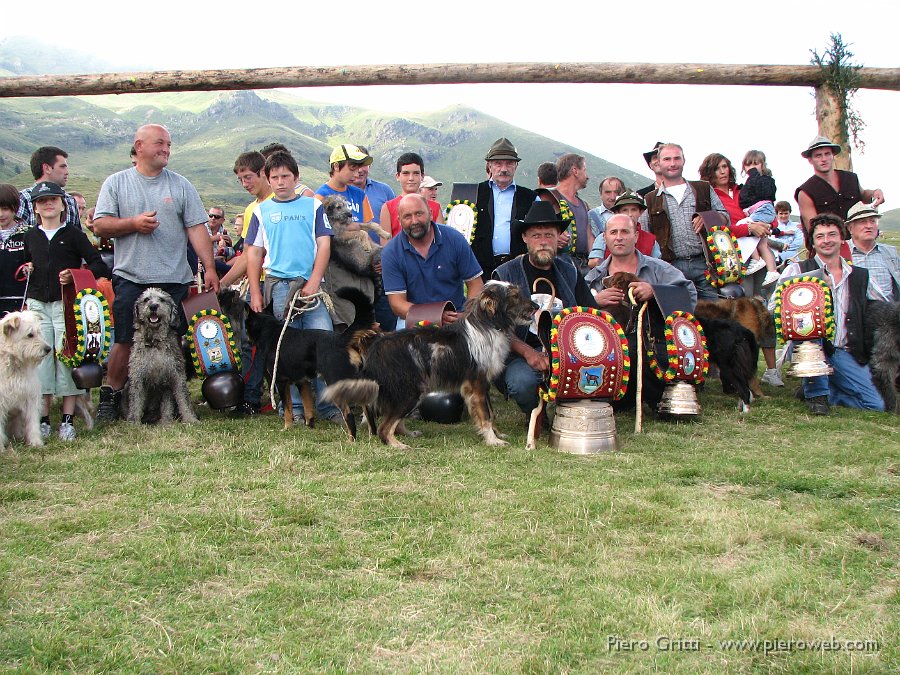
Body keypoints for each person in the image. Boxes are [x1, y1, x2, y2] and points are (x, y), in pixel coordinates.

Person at [92, 124, 219, 422]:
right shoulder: (116, 183)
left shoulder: (181, 184)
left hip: (173, 277)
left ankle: (169, 405)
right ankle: (111, 397)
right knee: (125, 339)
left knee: (172, 341)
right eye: (160, 143)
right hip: (130, 276)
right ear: (139, 146)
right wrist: (133, 224)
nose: (166, 149)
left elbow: (196, 228)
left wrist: (210, 267)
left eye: (169, 145)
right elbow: (100, 225)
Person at [245, 150, 340, 422]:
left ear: (296, 177)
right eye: (274, 177)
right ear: (268, 178)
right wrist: (254, 290)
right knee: (283, 351)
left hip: (311, 289)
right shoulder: (262, 211)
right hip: (278, 288)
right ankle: (295, 410)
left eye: (286, 176)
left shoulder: (313, 207)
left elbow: (324, 244)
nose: (280, 182)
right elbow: (253, 253)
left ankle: (328, 407)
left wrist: (313, 281)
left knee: (324, 344)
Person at [769, 213, 886, 415]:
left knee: (875, 405)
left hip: (846, 350)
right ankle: (817, 396)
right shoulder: (797, 269)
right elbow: (773, 307)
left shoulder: (860, 275)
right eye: (820, 236)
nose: (826, 241)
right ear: (812, 242)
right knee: (811, 332)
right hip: (806, 346)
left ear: (842, 238)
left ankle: (823, 392)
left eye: (832, 234)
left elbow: (885, 306)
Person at [493, 201, 597, 420]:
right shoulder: (504, 275)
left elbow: (589, 314)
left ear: (558, 237)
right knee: (522, 382)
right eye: (536, 236)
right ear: (525, 238)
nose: (543, 242)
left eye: (549, 235)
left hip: (567, 354)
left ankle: (571, 413)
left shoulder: (570, 271)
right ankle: (537, 416)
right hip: (518, 355)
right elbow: (495, 328)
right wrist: (528, 353)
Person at [22, 181, 110, 440]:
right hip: (37, 304)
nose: (48, 204)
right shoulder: (30, 236)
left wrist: (75, 276)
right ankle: (44, 417)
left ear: (62, 204)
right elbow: (23, 265)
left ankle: (68, 419)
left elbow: (98, 265)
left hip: (65, 305)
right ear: (35, 207)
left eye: (53, 199)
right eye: (42, 201)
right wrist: (26, 268)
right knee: (39, 361)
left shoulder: (73, 234)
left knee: (66, 358)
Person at [585, 213, 697, 410]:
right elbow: (575, 312)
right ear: (605, 238)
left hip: (654, 346)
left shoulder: (659, 269)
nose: (619, 237)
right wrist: (594, 301)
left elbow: (689, 296)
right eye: (613, 232)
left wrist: (655, 291)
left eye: (625, 232)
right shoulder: (594, 277)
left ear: (636, 236)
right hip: (606, 352)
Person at [639, 143, 729, 301]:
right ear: (658, 163)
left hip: (705, 265)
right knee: (680, 318)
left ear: (684, 160)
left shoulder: (703, 188)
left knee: (715, 316)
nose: (672, 163)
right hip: (671, 269)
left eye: (676, 158)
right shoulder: (650, 199)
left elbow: (725, 217)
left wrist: (707, 217)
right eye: (667, 159)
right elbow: (645, 236)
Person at [381, 194, 483, 328]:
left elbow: (476, 284)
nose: (414, 221)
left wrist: (468, 316)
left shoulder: (454, 239)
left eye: (419, 214)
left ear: (430, 213)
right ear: (399, 220)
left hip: (455, 316)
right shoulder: (391, 252)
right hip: (414, 318)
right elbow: (397, 304)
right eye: (407, 216)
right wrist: (435, 316)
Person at [472, 138, 537, 281]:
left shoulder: (531, 198)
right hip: (479, 272)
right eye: (498, 163)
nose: (504, 169)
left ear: (516, 165)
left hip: (519, 269)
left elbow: (539, 231)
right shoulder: (472, 193)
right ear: (489, 165)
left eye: (509, 163)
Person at [794, 135, 885, 232]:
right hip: (828, 244)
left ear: (833, 155)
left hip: (857, 241)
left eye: (827, 154)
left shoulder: (851, 178)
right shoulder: (805, 192)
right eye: (818, 155)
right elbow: (813, 230)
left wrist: (874, 193)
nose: (824, 159)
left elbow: (862, 195)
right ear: (810, 160)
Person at [736, 150, 780, 285]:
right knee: (762, 243)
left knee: (743, 226)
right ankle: (772, 271)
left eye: (756, 164)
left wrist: (753, 175)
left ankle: (756, 259)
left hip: (763, 209)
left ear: (763, 164)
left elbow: (767, 195)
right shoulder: (750, 182)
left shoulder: (765, 180)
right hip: (759, 210)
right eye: (748, 165)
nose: (752, 168)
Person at [845, 201, 900, 302]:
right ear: (850, 228)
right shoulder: (841, 252)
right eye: (862, 222)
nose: (869, 226)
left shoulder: (890, 252)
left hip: (887, 312)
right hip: (854, 314)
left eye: (872, 221)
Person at [17, 146, 82, 230]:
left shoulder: (70, 200)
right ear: (47, 168)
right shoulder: (23, 199)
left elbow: (77, 238)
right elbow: (15, 238)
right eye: (62, 167)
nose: (67, 172)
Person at [380, 152, 444, 237]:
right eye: (406, 173)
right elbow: (386, 247)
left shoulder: (435, 208)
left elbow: (440, 240)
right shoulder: (388, 208)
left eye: (416, 173)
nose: (411, 178)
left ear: (422, 176)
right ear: (398, 176)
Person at [587, 190, 661, 264]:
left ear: (640, 212)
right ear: (617, 213)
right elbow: (593, 262)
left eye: (634, 210)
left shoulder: (650, 240)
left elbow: (658, 266)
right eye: (625, 210)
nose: (630, 214)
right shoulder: (604, 237)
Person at [552, 153, 594, 273]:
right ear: (575, 171)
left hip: (583, 267)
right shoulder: (549, 197)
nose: (587, 176)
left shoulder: (583, 204)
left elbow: (588, 236)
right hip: (559, 265)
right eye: (584, 170)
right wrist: (553, 237)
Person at [0, 184, 29, 317]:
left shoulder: (30, 234)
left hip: (21, 302)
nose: (1, 214)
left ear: (15, 208)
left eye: (5, 209)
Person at [350, 145, 395, 223]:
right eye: (354, 165)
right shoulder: (337, 193)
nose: (359, 170)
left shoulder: (385, 190)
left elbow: (396, 222)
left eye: (363, 164)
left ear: (369, 166)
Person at [587, 176, 625, 243]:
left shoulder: (629, 214)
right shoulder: (592, 216)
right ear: (601, 194)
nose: (612, 197)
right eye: (608, 192)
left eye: (616, 192)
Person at [770, 201, 804, 265]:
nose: (783, 216)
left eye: (786, 213)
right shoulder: (772, 226)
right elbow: (771, 241)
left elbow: (798, 243)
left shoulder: (796, 226)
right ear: (777, 214)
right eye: (781, 213)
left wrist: (779, 245)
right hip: (776, 259)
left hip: (793, 259)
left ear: (789, 213)